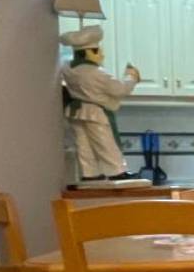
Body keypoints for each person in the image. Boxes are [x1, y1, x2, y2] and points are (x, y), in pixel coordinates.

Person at [58, 25, 141, 181]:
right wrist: (131, 77)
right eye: (97, 51)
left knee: (83, 143)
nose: (102, 55)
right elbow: (119, 89)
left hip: (75, 111)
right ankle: (117, 171)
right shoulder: (96, 73)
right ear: (89, 52)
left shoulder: (67, 67)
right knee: (105, 141)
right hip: (95, 112)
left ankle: (89, 173)